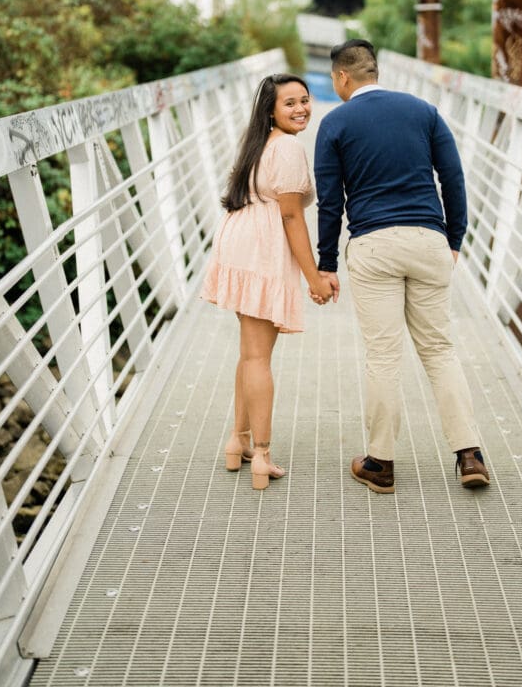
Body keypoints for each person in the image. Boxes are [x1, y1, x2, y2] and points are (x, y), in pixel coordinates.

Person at [314, 39, 489, 494]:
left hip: (374, 244)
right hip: (428, 240)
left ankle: (381, 464)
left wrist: (326, 263)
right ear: (376, 71)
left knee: (384, 355)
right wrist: (453, 238)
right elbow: (453, 178)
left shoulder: (334, 123)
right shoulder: (424, 111)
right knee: (439, 349)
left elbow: (330, 203)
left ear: (341, 78)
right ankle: (470, 455)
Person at [202, 73, 334, 490]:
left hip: (238, 239)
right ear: (271, 111)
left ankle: (236, 441)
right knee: (259, 357)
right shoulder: (290, 148)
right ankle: (262, 454)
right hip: (261, 247)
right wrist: (314, 277)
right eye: (289, 103)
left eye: (305, 100)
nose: (301, 109)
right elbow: (292, 216)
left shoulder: (257, 143)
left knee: (249, 352)